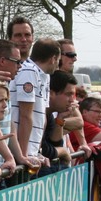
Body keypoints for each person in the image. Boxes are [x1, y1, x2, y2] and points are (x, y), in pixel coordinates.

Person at [9, 38, 60, 174]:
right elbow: (25, 115)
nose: (57, 65)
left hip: (31, 151)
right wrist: (23, 155)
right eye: (58, 61)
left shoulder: (45, 75)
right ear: (53, 59)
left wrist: (37, 151)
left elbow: (42, 117)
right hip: (19, 151)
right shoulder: (28, 71)